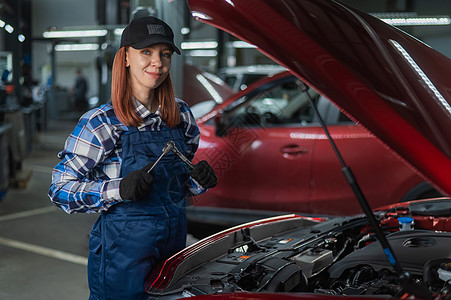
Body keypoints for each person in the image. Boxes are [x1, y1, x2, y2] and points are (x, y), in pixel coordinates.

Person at [48, 16, 217, 300]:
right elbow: (59, 189)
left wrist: (198, 182)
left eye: (165, 54)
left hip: (174, 245)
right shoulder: (101, 122)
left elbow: (179, 185)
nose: (158, 63)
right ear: (126, 57)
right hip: (122, 255)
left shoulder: (181, 116)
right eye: (146, 52)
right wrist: (119, 189)